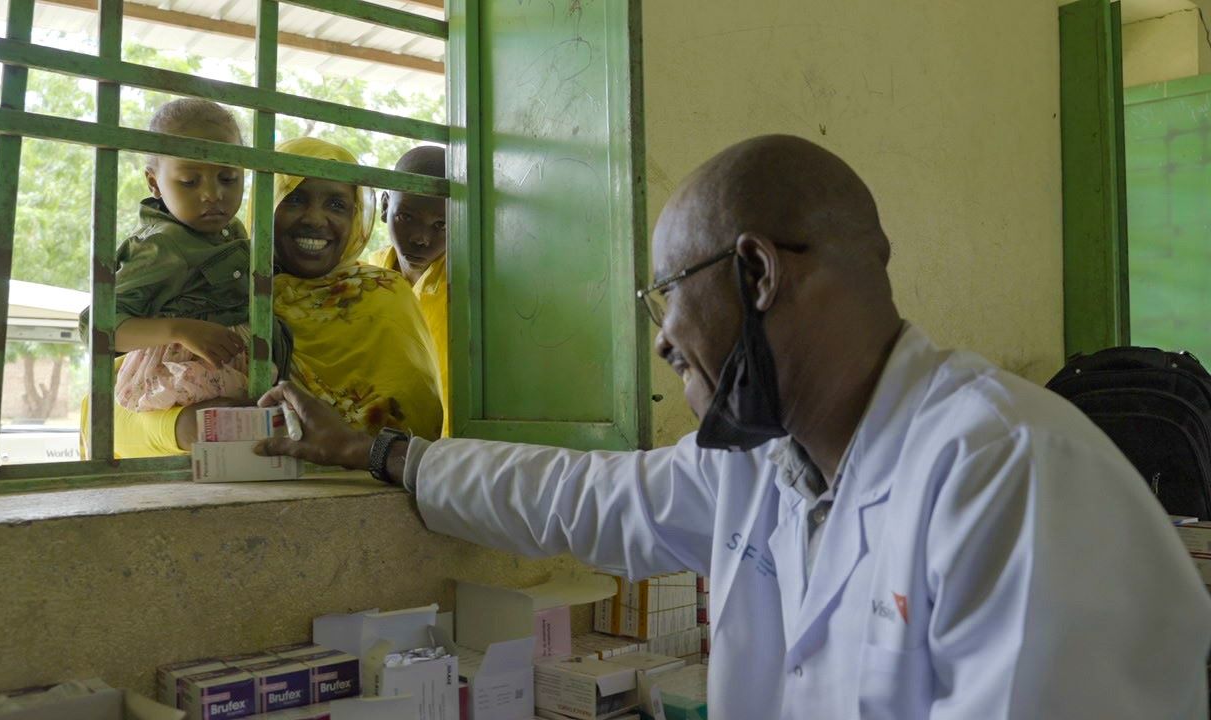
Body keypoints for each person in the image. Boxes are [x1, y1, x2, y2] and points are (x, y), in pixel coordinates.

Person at [256, 135, 1211, 717]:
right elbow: (584, 498)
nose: (666, 340)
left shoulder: (1010, 475)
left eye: (666, 297)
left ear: (757, 274)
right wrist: (379, 451)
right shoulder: (766, 461)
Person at [101, 137, 442, 457]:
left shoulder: (383, 297)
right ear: (266, 204)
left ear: (357, 217)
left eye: (337, 204)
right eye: (294, 198)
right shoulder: (219, 288)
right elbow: (105, 411)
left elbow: (416, 431)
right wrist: (184, 427)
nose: (315, 218)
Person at [80, 98, 290, 413]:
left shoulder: (232, 229)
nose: (213, 194)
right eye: (190, 182)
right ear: (154, 183)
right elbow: (95, 325)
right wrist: (179, 329)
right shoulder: (160, 246)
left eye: (228, 178)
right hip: (185, 383)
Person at [370, 146, 449, 433]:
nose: (421, 238)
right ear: (384, 207)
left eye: (441, 224)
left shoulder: (468, 283)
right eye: (406, 217)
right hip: (381, 442)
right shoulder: (368, 274)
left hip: (455, 448)